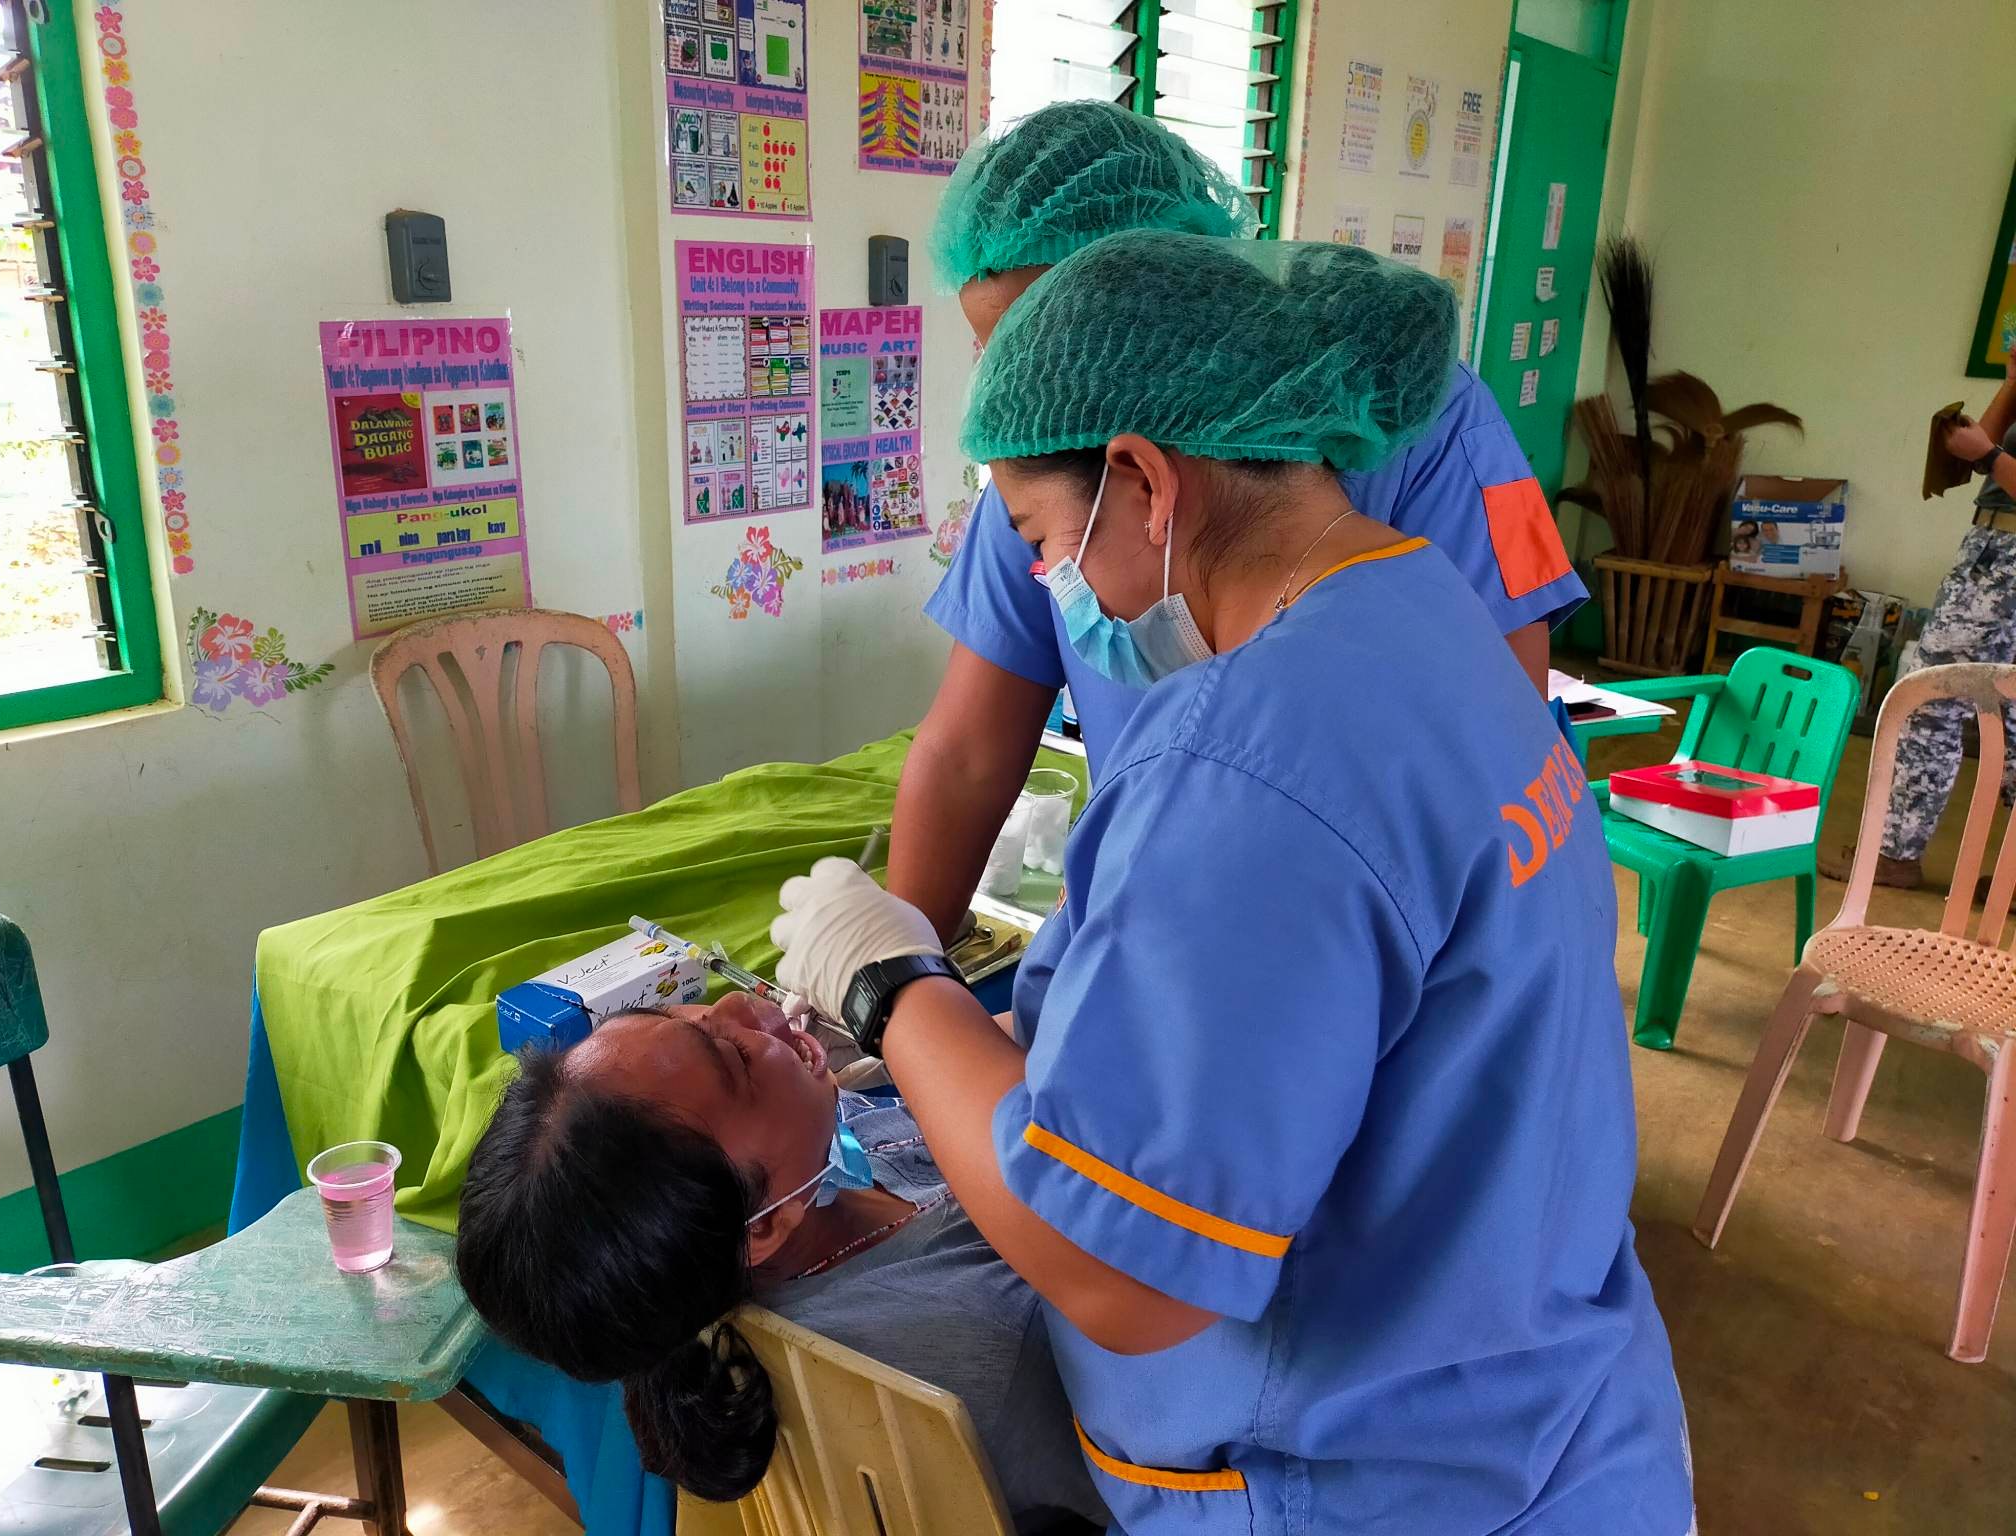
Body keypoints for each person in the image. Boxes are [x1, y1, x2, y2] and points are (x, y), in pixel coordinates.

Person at [771, 233, 1693, 1535]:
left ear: (1145, 482)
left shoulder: (1245, 761)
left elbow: (1124, 1278)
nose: (1049, 585)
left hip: (1368, 1483)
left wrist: (892, 988)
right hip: (1550, 1418)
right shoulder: (1422, 610)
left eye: (1044, 538)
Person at [894, 99, 1586, 938]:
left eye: (1055, 344)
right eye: (1002, 358)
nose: (1029, 393)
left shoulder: (1428, 428)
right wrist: (892, 958)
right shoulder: (1053, 477)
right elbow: (966, 753)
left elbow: (1491, 756)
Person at [454, 990, 1107, 1531]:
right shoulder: (994, 1341)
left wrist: (922, 1042)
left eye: (683, 1015)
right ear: (762, 1224)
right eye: (734, 1055)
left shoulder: (797, 1181)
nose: (741, 1003)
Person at [1822, 361, 2016, 889]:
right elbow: (1974, 453)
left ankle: (1895, 854)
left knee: (1931, 703)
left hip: (2003, 565)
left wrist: (1989, 455)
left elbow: (1986, 454)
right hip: (1995, 550)